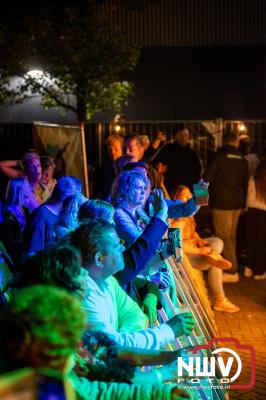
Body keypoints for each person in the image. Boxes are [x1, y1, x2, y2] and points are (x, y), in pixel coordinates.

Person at [0, 284, 191, 400]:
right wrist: (165, 373)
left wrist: (163, 388)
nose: (80, 349)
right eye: (72, 346)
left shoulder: (44, 376)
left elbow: (98, 391)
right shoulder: (37, 389)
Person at [70, 220, 195, 349]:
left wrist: (130, 343)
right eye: (117, 245)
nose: (123, 248)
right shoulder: (84, 295)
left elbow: (135, 315)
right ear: (99, 259)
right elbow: (111, 345)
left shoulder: (107, 281)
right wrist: (169, 330)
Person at [170, 185, 240, 313]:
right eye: (185, 197)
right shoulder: (175, 216)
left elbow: (193, 229)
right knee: (215, 265)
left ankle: (213, 255)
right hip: (187, 254)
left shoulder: (189, 212)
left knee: (217, 242)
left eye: (190, 196)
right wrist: (200, 251)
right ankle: (220, 300)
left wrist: (200, 241)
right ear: (176, 198)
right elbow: (177, 245)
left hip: (195, 245)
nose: (189, 199)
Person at [203, 131, 249, 283]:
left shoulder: (218, 157)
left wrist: (198, 200)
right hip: (237, 204)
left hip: (222, 203)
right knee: (231, 237)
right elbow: (245, 183)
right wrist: (243, 204)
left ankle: (232, 269)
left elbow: (205, 179)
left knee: (224, 237)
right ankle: (232, 268)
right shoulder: (242, 159)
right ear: (236, 143)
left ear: (223, 142)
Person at [24, 176, 78, 256]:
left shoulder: (64, 214)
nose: (76, 204)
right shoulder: (41, 215)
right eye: (75, 200)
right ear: (68, 199)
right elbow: (31, 253)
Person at [152, 124, 202, 193]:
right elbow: (156, 162)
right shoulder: (168, 149)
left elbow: (197, 171)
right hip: (171, 187)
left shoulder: (192, 153)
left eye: (186, 135)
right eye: (181, 135)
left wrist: (198, 191)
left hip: (187, 188)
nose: (184, 138)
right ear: (176, 136)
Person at [0, 177, 38, 268]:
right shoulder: (8, 216)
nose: (29, 188)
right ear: (19, 190)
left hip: (28, 250)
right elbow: (8, 244)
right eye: (27, 186)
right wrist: (28, 241)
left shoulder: (24, 209)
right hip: (19, 259)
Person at [244, 158, 266, 280]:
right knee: (261, 243)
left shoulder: (253, 179)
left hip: (251, 212)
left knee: (251, 241)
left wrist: (245, 209)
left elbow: (248, 195)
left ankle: (248, 268)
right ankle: (259, 271)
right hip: (264, 214)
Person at [93, 135, 124, 200]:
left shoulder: (127, 167)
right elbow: (97, 190)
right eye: (110, 149)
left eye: (116, 149)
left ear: (122, 149)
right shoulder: (102, 169)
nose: (113, 152)